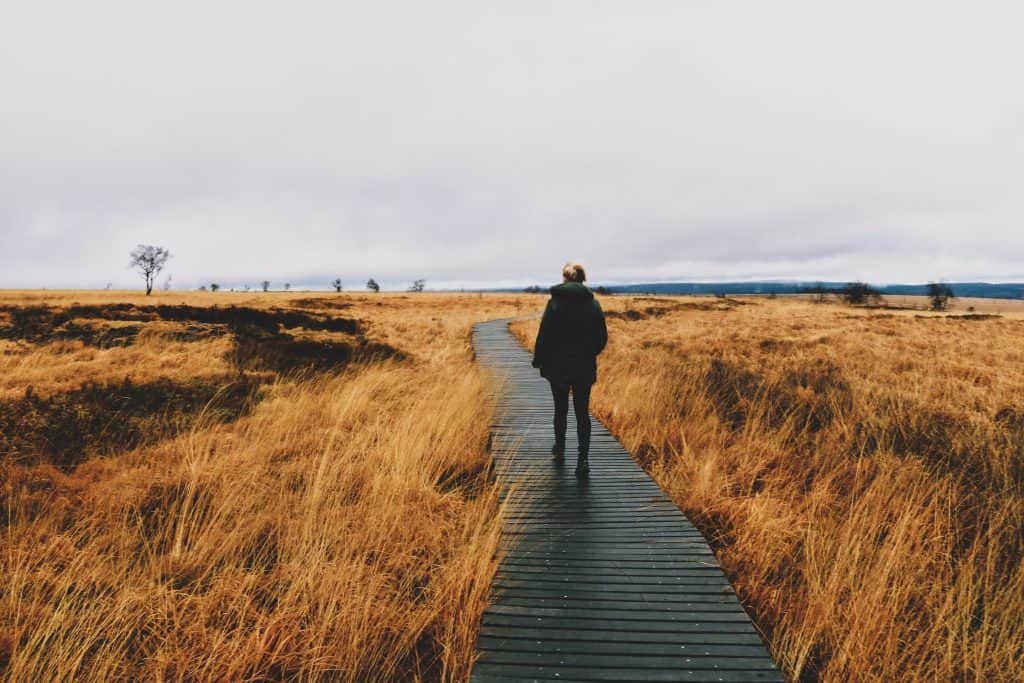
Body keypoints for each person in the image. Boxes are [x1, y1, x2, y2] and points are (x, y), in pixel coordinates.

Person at [531, 262, 608, 477]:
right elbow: (602, 337)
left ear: (565, 278)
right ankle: (583, 460)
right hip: (583, 365)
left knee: (560, 409)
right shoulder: (593, 304)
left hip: (558, 365)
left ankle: (560, 449)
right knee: (582, 412)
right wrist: (588, 352)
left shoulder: (554, 303)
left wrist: (540, 359)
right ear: (583, 279)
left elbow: (544, 334)